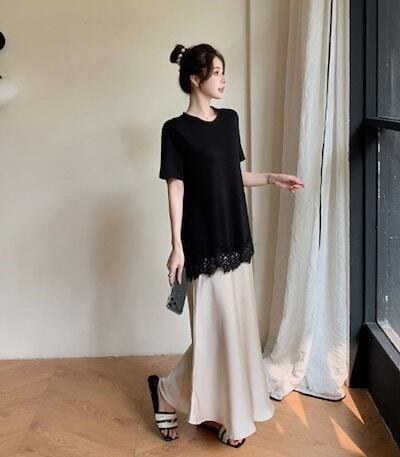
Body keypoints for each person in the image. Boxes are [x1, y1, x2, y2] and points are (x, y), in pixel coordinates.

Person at [147, 43, 305, 448]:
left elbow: (232, 175)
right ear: (195, 78)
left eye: (223, 71)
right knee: (214, 334)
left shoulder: (230, 119)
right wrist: (176, 246)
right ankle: (166, 392)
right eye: (216, 72)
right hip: (202, 244)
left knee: (235, 333)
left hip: (236, 238)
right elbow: (176, 188)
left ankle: (222, 412)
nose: (223, 78)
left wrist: (270, 178)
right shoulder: (175, 130)